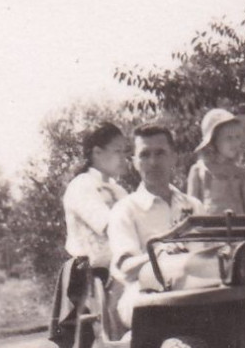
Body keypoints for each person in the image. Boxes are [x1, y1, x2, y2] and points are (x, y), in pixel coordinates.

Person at [107, 124, 205, 326]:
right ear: (134, 162)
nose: (153, 162)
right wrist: (160, 252)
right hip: (144, 295)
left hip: (196, 289)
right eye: (144, 155)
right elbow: (126, 270)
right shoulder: (125, 209)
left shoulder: (193, 205)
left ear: (173, 157)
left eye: (160, 153)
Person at [61, 121, 129, 267]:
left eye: (125, 151)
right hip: (93, 275)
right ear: (97, 153)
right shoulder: (81, 185)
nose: (124, 157)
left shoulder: (119, 190)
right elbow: (111, 227)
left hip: (122, 267)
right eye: (118, 151)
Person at [185, 107, 245, 214]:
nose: (235, 142)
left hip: (239, 228)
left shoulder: (242, 173)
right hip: (209, 228)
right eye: (229, 138)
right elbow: (190, 209)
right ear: (213, 141)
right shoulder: (199, 170)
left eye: (238, 137)